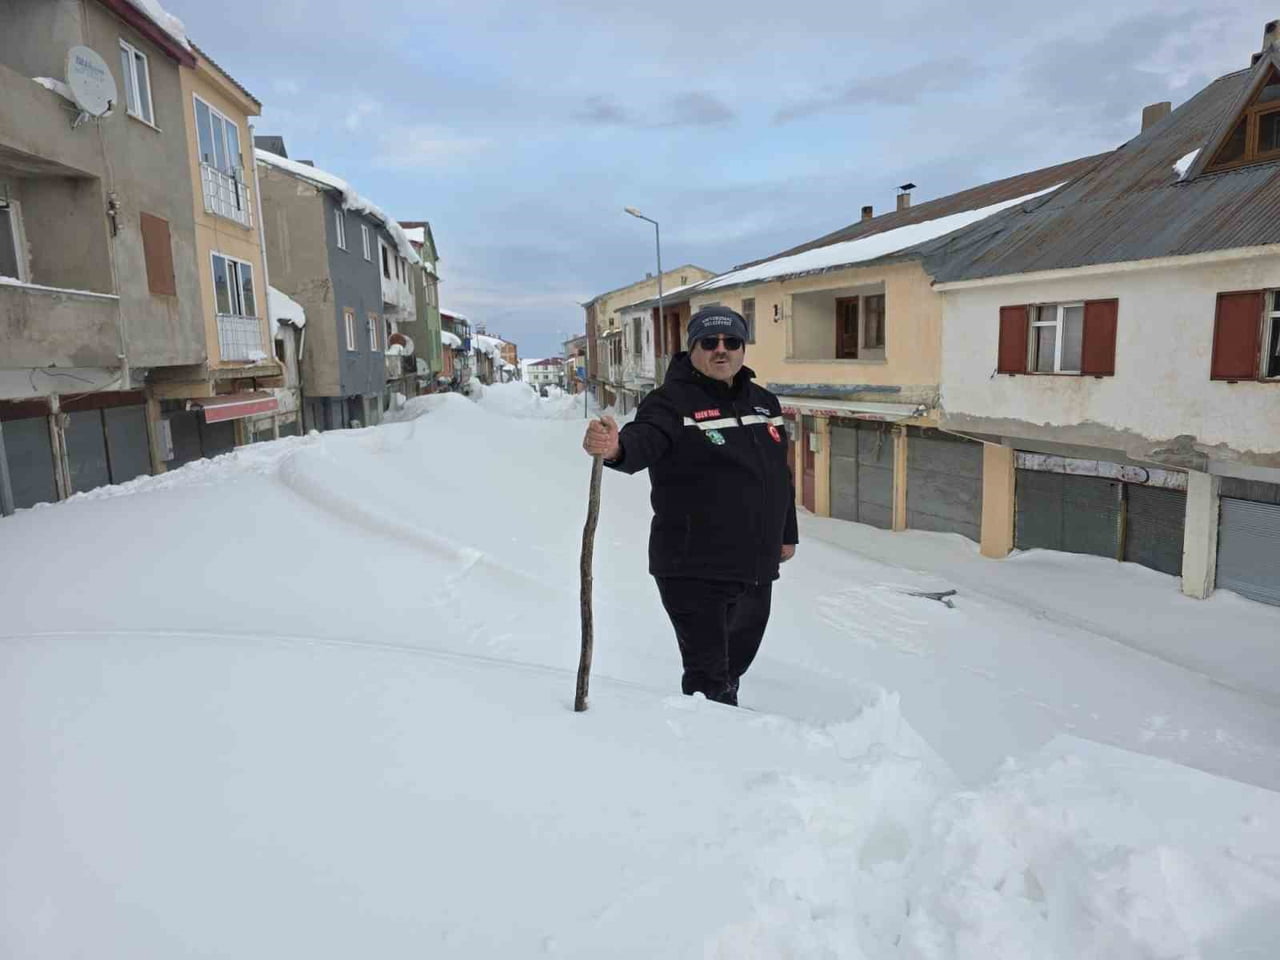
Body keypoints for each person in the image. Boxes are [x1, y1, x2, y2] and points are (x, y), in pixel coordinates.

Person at [582, 304, 798, 706]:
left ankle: (722, 719)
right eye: (709, 342)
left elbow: (778, 475)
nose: (722, 350)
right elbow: (644, 439)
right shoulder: (669, 403)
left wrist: (786, 534)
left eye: (731, 341)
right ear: (692, 347)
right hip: (693, 565)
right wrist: (617, 448)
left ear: (742, 348)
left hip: (755, 564)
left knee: (734, 663)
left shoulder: (764, 403)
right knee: (708, 675)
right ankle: (709, 750)